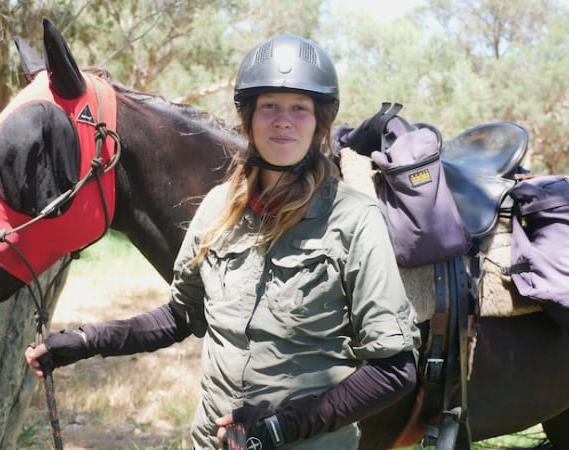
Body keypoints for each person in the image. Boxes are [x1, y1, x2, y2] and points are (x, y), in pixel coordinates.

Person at [26, 34, 421, 450]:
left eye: (299, 108)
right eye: (269, 106)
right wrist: (85, 342)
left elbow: (394, 369)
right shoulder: (218, 207)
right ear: (248, 118)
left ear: (318, 122)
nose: (282, 120)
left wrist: (281, 427)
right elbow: (180, 316)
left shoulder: (355, 218)